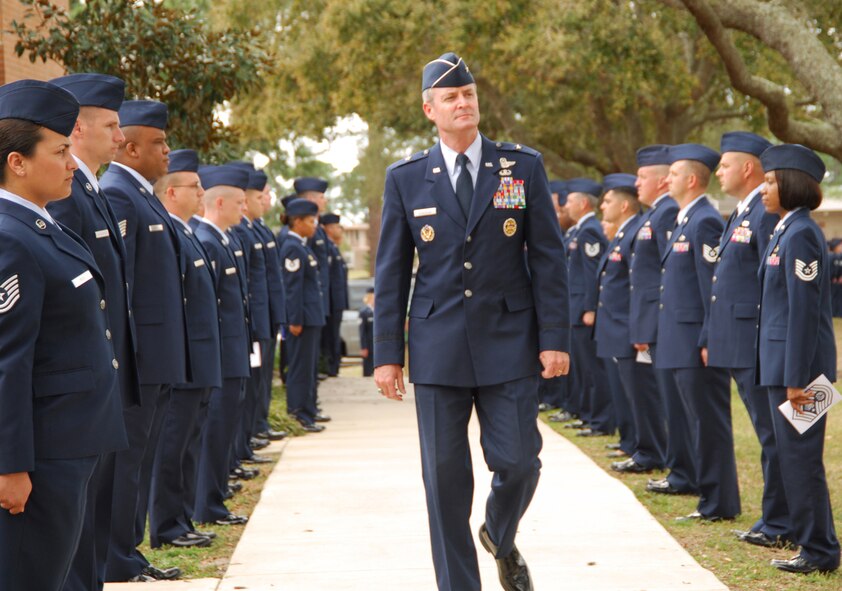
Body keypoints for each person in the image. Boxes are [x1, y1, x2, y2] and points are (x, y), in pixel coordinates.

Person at [374, 52, 569, 591]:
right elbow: (391, 272)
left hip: (510, 341)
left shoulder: (520, 166)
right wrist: (388, 353)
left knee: (521, 462)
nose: (464, 103)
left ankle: (500, 535)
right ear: (429, 109)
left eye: (470, 94)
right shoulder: (407, 179)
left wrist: (555, 339)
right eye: (451, 98)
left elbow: (549, 258)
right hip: (438, 347)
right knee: (444, 482)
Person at [0, 79, 126, 591]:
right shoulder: (11, 239)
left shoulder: (42, 227)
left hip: (70, 442)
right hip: (43, 453)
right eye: (59, 151)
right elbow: (8, 361)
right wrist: (10, 466)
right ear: (18, 162)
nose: (72, 163)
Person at [45, 72, 139, 591]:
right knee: (78, 529)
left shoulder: (91, 188)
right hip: (82, 383)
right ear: (78, 129)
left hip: (104, 377)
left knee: (96, 512)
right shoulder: (65, 193)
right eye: (111, 125)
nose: (121, 137)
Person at [100, 99, 188, 583]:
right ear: (130, 148)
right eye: (158, 143)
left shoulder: (144, 195)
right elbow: (122, 286)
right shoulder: (118, 195)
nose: (168, 151)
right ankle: (117, 556)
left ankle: (128, 552)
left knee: (141, 460)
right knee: (128, 463)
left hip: (158, 358)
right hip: (138, 360)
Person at [703, 132, 789, 547]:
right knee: (767, 432)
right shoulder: (743, 211)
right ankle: (776, 518)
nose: (717, 171)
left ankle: (780, 522)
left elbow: (772, 284)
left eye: (724, 164)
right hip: (740, 340)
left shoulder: (766, 211)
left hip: (756, 340)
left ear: (748, 168)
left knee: (775, 433)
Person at [757, 144, 839, 574]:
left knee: (801, 460)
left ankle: (820, 552)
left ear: (790, 183)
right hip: (783, 365)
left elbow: (803, 314)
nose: (763, 188)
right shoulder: (786, 229)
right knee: (793, 458)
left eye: (770, 181)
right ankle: (815, 546)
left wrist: (798, 377)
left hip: (801, 370)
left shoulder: (802, 232)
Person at [657, 144, 740, 522]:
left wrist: (709, 337)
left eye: (672, 174)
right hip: (678, 337)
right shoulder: (685, 219)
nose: (665, 180)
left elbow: (713, 287)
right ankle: (709, 498)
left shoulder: (704, 220)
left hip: (694, 340)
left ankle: (719, 502)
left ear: (691, 180)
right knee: (693, 421)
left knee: (708, 422)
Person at [148, 149, 221, 549]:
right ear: (171, 193)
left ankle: (182, 519)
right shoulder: (171, 233)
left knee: (189, 444)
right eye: (194, 186)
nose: (202, 192)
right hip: (184, 361)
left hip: (200, 360)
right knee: (171, 448)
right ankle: (165, 526)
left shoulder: (189, 232)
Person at [630, 145, 697, 496]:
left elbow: (666, 276)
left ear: (660, 181)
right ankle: (678, 468)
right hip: (655, 322)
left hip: (665, 322)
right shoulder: (656, 213)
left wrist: (649, 326)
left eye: (642, 177)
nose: (636, 184)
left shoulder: (669, 212)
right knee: (670, 402)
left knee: (675, 404)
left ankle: (683, 471)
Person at [596, 174, 667, 474]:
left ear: (625, 206)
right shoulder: (628, 231)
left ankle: (650, 451)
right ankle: (642, 447)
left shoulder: (639, 227)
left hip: (630, 326)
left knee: (643, 394)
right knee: (634, 394)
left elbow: (642, 283)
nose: (603, 206)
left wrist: (639, 327)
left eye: (609, 200)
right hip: (621, 326)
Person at [564, 178, 613, 437]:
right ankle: (589, 415)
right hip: (575, 308)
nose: (565, 205)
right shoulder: (580, 230)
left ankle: (601, 420)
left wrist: (590, 308)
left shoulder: (590, 230)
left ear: (583, 203)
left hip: (584, 310)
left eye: (570, 201)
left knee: (594, 369)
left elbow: (591, 273)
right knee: (583, 368)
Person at [321, 212, 349, 377]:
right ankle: (331, 366)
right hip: (331, 302)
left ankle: (334, 366)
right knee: (330, 336)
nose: (340, 230)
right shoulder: (329, 248)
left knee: (334, 334)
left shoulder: (334, 248)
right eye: (337, 227)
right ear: (329, 229)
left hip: (337, 301)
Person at [359, 287, 374, 377]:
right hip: (368, 344)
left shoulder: (377, 311)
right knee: (367, 368)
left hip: (375, 343)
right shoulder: (364, 312)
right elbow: (362, 331)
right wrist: (363, 347)